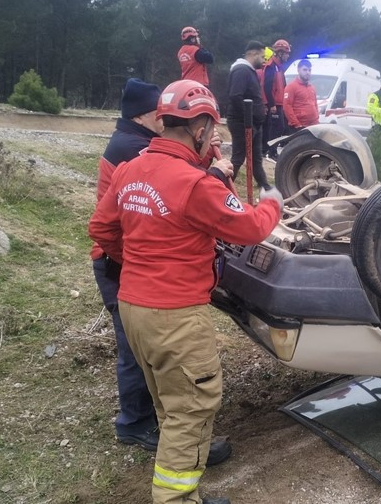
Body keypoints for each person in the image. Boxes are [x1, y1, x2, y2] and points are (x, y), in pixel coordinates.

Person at [89, 80, 283, 504]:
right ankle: (175, 499)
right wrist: (273, 202)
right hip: (175, 315)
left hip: (133, 307)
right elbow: (251, 228)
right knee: (192, 408)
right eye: (210, 130)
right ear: (198, 127)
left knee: (169, 402)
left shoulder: (132, 168)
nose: (212, 139)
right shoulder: (195, 185)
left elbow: (101, 229)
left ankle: (180, 488)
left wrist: (140, 261)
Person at [92, 78, 161, 452]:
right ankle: (134, 422)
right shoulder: (134, 148)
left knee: (141, 343)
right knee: (134, 347)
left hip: (119, 258)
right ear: (145, 115)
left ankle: (144, 415)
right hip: (116, 261)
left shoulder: (131, 140)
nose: (166, 120)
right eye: (161, 113)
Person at [226, 40, 271, 190]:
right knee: (238, 158)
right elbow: (235, 96)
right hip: (242, 123)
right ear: (253, 53)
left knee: (256, 158)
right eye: (262, 56)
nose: (264, 60)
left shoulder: (249, 71)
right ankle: (224, 187)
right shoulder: (241, 70)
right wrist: (248, 120)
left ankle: (264, 186)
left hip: (254, 123)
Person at [261, 39, 291, 156]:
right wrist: (271, 104)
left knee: (278, 128)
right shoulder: (271, 66)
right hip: (273, 104)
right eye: (286, 53)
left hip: (279, 103)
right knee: (276, 128)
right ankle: (270, 151)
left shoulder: (279, 67)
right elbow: (267, 87)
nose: (288, 56)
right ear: (280, 53)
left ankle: (269, 150)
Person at [283, 59, 319, 132]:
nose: (307, 72)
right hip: (298, 127)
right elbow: (287, 106)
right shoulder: (291, 87)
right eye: (305, 70)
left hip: (313, 127)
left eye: (309, 70)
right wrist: (296, 124)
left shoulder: (311, 87)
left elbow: (315, 104)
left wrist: (316, 119)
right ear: (298, 70)